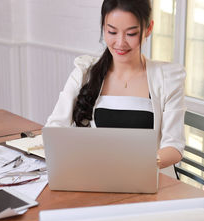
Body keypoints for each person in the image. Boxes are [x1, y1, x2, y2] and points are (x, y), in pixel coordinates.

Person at [45, 0, 186, 176]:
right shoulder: (85, 72)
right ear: (103, 28)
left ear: (149, 28)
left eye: (131, 33)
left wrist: (139, 164)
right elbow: (54, 128)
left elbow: (174, 146)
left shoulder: (168, 78)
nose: (120, 43)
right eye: (112, 32)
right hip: (100, 178)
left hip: (152, 179)